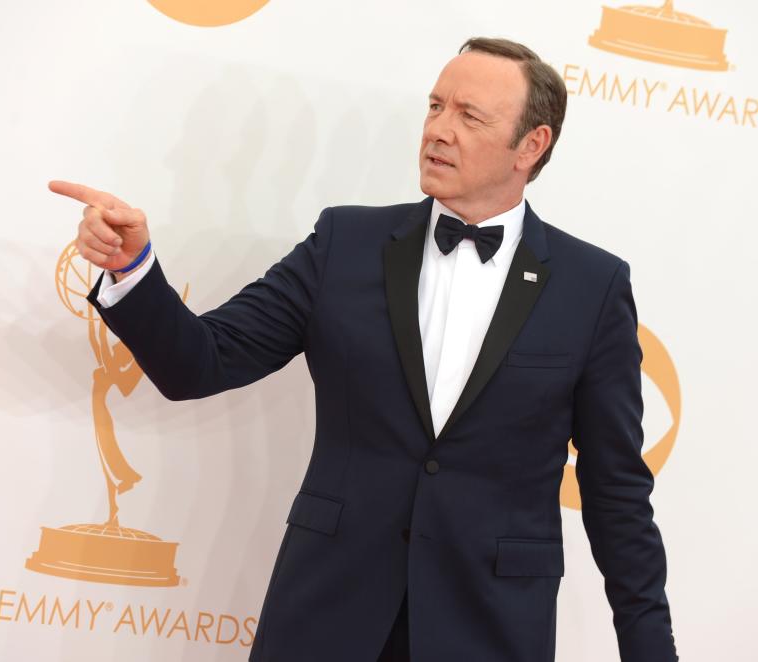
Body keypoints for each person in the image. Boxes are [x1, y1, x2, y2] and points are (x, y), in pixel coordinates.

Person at [49, 37, 677, 662]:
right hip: (327, 615)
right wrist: (132, 269)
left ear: (531, 146)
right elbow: (200, 361)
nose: (439, 130)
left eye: (469, 116)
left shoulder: (592, 287)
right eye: (435, 106)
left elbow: (615, 489)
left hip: (488, 626)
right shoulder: (344, 244)